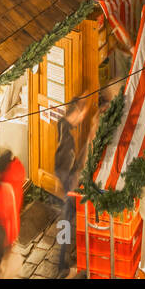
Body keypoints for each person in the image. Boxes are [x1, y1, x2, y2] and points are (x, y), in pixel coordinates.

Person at [54, 97, 92, 276]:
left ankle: (66, 258)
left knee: (67, 221)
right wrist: (71, 183)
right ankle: (63, 264)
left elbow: (65, 119)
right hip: (68, 182)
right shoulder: (68, 140)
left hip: (64, 178)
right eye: (81, 115)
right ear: (76, 113)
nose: (82, 119)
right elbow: (68, 165)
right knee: (66, 221)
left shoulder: (63, 124)